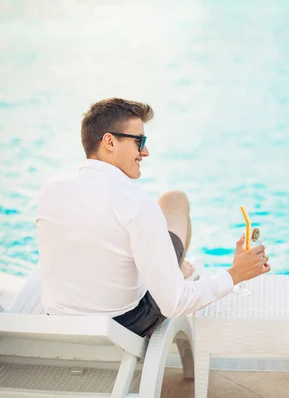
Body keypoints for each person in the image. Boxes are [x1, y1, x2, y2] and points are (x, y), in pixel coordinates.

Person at [36, 98, 270, 337]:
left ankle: (172, 268)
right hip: (124, 325)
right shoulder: (137, 205)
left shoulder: (51, 190)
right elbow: (176, 303)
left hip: (59, 321)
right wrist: (236, 273)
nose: (145, 152)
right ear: (110, 142)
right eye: (139, 141)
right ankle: (175, 268)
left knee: (169, 201)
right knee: (176, 201)